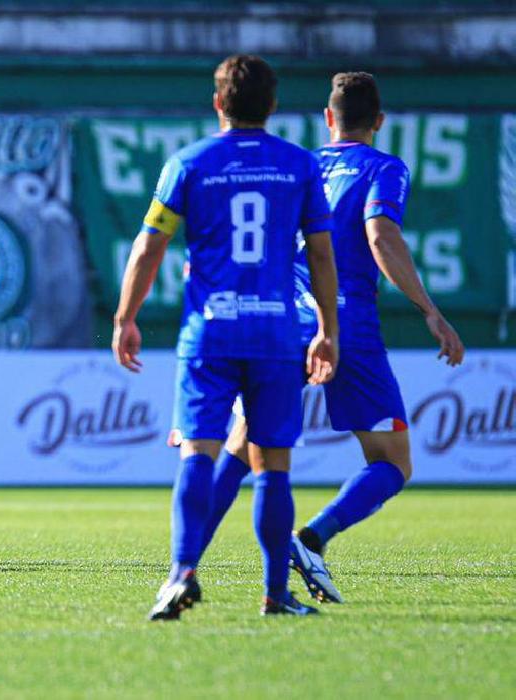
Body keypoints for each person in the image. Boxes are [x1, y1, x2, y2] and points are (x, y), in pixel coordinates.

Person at [197, 72, 466, 604]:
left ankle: (184, 565)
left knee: (243, 438)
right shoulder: (384, 168)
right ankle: (313, 537)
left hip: (278, 318)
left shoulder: (300, 165)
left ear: (327, 119)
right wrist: (429, 310)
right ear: (379, 123)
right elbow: (380, 234)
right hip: (346, 322)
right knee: (391, 461)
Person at [112, 55, 340, 619]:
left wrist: (125, 317)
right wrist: (329, 331)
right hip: (276, 333)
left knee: (197, 451)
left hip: (208, 334)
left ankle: (182, 573)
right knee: (274, 465)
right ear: (273, 105)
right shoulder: (300, 166)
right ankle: (273, 593)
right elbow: (321, 252)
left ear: (218, 103)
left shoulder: (188, 163)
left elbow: (149, 247)